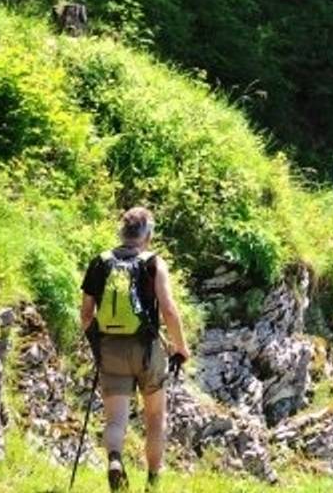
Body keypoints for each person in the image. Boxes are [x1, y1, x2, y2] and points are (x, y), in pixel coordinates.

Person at [80, 207, 189, 491]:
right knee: (155, 417)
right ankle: (152, 482)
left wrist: (99, 344)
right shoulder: (153, 263)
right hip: (147, 350)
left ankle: (115, 460)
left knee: (115, 420)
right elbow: (169, 310)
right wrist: (180, 347)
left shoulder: (100, 262)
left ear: (122, 232)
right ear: (148, 235)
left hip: (110, 349)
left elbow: (86, 315)